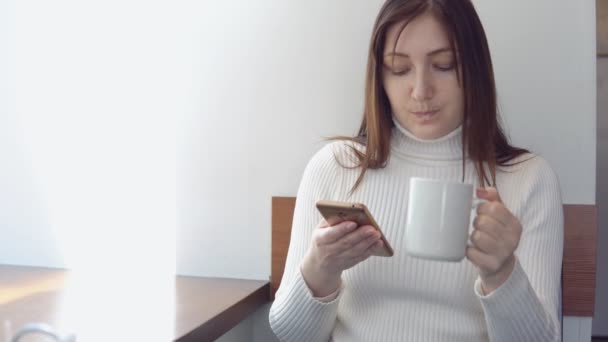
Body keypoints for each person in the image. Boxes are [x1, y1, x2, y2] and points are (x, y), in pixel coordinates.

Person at [269, 0, 564, 341]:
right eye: (399, 69)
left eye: (444, 65)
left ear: (475, 67)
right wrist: (320, 269)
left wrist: (502, 274)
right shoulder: (335, 167)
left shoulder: (529, 180)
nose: (421, 91)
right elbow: (292, 335)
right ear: (379, 77)